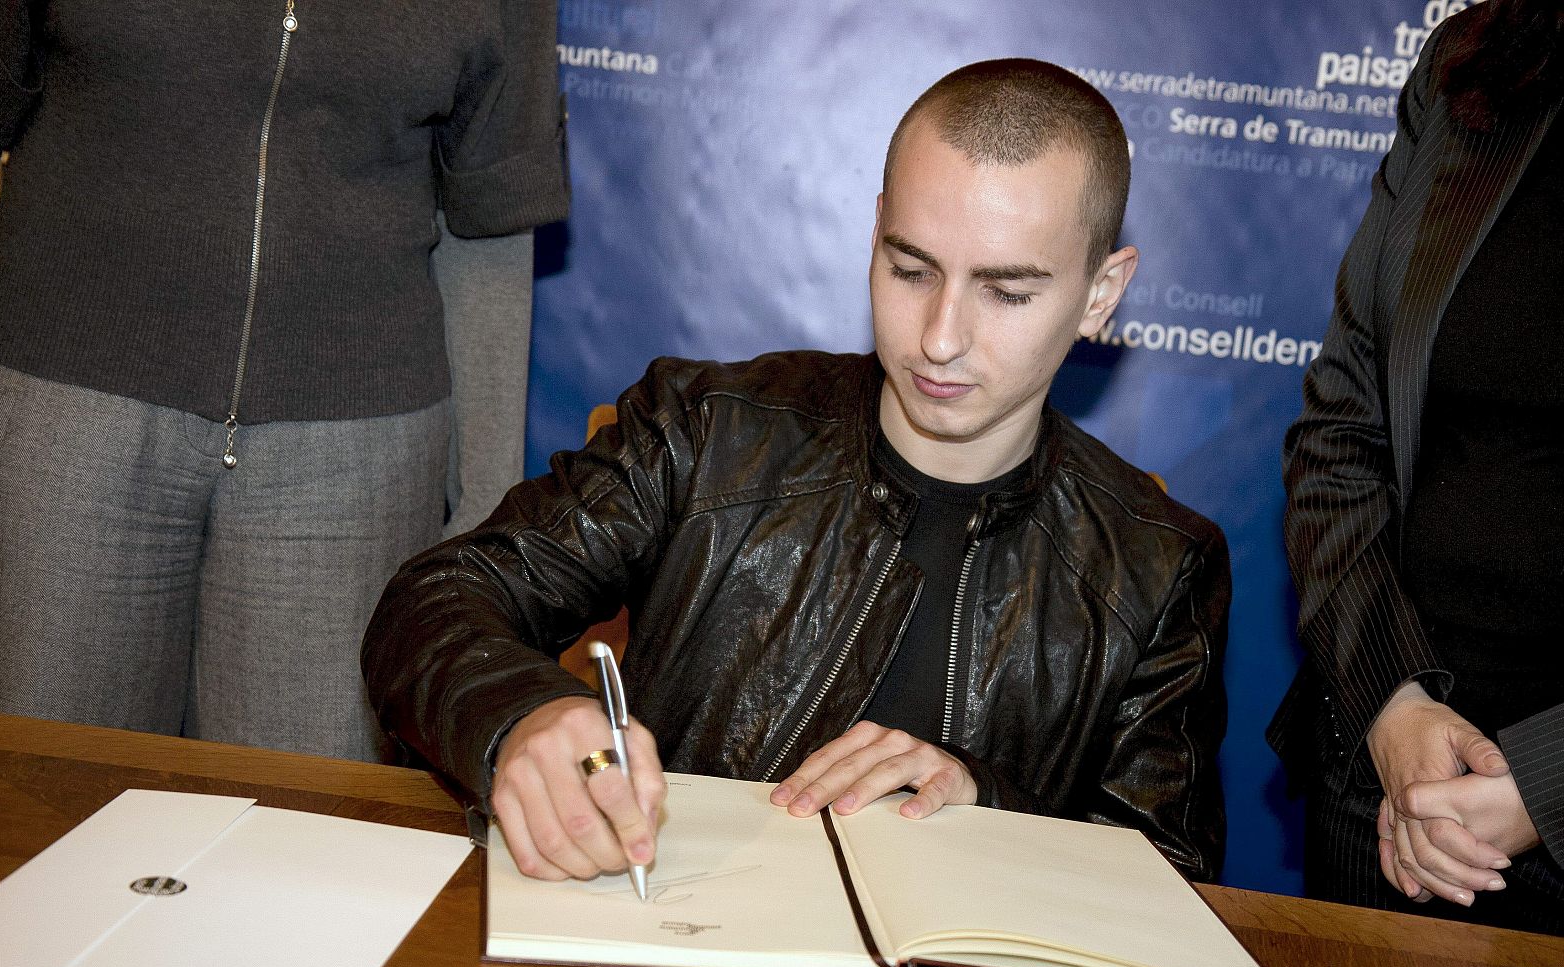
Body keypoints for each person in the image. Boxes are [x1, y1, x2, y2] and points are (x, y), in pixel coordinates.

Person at [364, 58, 1231, 885]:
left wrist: (989, 805)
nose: (940, 335)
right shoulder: (707, 430)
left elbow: (1168, 879)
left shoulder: (1156, 567)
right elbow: (435, 598)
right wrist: (522, 715)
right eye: (909, 267)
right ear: (875, 229)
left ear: (1101, 293)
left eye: (1007, 292)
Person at [0, 1, 568, 761]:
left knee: (303, 833)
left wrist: (485, 508)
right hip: (59, 415)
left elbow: (493, 212)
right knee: (37, 805)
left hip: (353, 456)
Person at [1270, 0, 1563, 935]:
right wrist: (1392, 704)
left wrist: (1548, 784)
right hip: (1391, 789)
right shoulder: (1478, 62)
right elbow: (1341, 425)